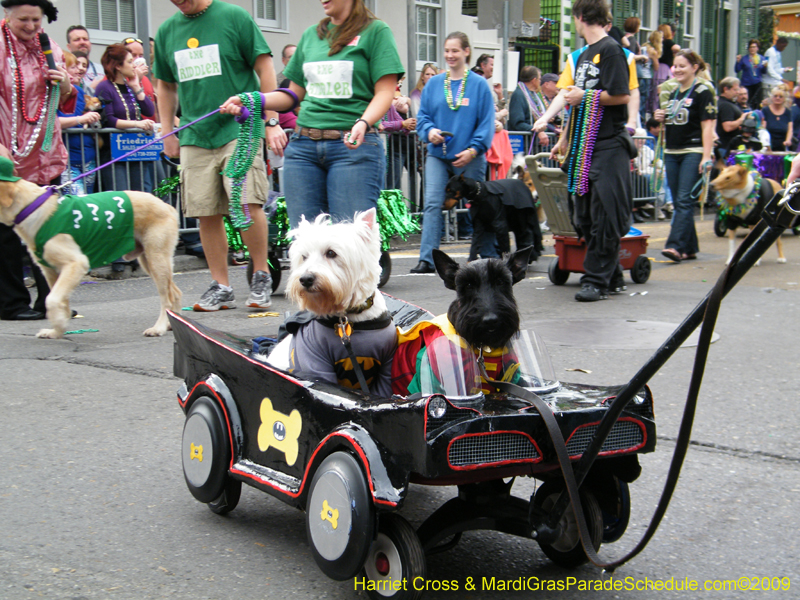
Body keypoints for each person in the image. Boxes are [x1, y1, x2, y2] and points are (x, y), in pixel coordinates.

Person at [154, 0, 287, 312]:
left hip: (239, 128)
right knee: (205, 210)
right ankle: (221, 285)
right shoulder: (167, 31)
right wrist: (167, 132)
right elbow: (165, 85)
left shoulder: (234, 17)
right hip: (195, 133)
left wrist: (270, 121)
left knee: (245, 202)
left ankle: (261, 274)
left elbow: (264, 66)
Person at [534, 0, 634, 302]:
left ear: (579, 18)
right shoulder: (582, 56)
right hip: (584, 146)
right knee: (584, 217)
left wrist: (586, 94)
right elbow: (571, 100)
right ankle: (612, 273)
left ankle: (596, 280)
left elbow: (621, 95)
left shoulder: (612, 50)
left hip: (608, 145)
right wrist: (557, 129)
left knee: (604, 214)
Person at [1, 0, 75, 321]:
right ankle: (10, 302)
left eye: (36, 19)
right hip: (7, 151)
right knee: (6, 232)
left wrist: (67, 83)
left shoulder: (50, 48)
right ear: (7, 15)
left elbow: (67, 98)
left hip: (45, 151)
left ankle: (52, 299)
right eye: (24, 20)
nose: (31, 26)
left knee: (47, 226)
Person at [409, 31, 495, 273]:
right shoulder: (435, 83)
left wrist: (474, 149)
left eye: (455, 50)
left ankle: (487, 255)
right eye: (447, 51)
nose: (450, 55)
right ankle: (427, 258)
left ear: (466, 52)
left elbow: (486, 122)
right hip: (438, 153)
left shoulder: (478, 85)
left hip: (469, 157)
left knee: (478, 204)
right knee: (433, 203)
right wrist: (429, 132)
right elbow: (423, 116)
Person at [654, 50, 716, 263]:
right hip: (671, 151)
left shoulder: (703, 91)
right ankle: (690, 247)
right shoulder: (674, 93)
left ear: (694, 67)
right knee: (682, 201)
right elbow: (673, 120)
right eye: (675, 66)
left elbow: (708, 125)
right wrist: (660, 117)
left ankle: (675, 245)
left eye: (682, 66)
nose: (677, 70)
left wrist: (706, 156)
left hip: (693, 150)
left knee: (683, 199)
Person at [95, 44, 156, 192]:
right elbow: (110, 119)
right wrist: (138, 124)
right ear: (118, 66)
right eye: (129, 62)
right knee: (121, 194)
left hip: (135, 149)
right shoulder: (104, 87)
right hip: (114, 153)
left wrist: (136, 87)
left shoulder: (130, 87)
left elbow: (149, 110)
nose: (133, 65)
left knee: (141, 194)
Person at [57, 50, 101, 195]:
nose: (78, 70)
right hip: (67, 161)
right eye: (73, 67)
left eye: (79, 67)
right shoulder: (52, 93)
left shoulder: (80, 91)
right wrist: (80, 119)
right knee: (78, 201)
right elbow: (51, 122)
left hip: (88, 158)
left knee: (87, 203)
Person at [508, 65, 551, 151]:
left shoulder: (534, 95)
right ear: (533, 80)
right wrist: (537, 131)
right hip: (524, 145)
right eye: (539, 79)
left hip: (534, 143)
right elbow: (517, 123)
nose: (540, 82)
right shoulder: (519, 95)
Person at [65, 24, 102, 90]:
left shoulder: (102, 70)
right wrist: (91, 89)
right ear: (69, 47)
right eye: (77, 39)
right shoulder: (65, 70)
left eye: (85, 39)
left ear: (90, 44)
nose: (82, 42)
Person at [716, 77, 746, 156]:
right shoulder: (725, 105)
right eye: (735, 90)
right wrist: (742, 119)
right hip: (726, 148)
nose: (737, 92)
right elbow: (727, 127)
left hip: (729, 147)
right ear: (725, 89)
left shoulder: (728, 103)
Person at [735, 39, 767, 110]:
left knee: (758, 102)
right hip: (747, 84)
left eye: (754, 47)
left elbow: (764, 72)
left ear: (757, 48)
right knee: (747, 101)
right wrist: (737, 62)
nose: (752, 49)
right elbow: (737, 70)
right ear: (748, 49)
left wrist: (765, 67)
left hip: (757, 83)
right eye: (751, 47)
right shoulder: (744, 59)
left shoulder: (761, 58)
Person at [761, 87, 793, 152]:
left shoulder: (788, 112)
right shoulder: (765, 110)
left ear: (784, 99)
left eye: (780, 96)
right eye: (775, 96)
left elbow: (790, 129)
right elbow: (762, 129)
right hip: (768, 146)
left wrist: (788, 140)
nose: (778, 98)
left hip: (782, 146)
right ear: (771, 97)